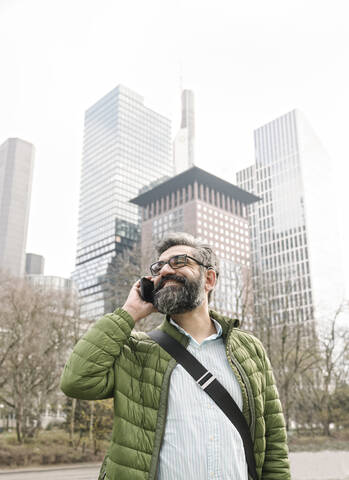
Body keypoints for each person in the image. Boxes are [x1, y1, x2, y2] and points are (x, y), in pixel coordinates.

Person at [60, 232, 290, 480]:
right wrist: (129, 312)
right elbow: (77, 381)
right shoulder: (135, 349)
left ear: (209, 279)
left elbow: (274, 444)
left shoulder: (249, 349)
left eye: (179, 262)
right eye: (159, 266)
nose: (166, 270)